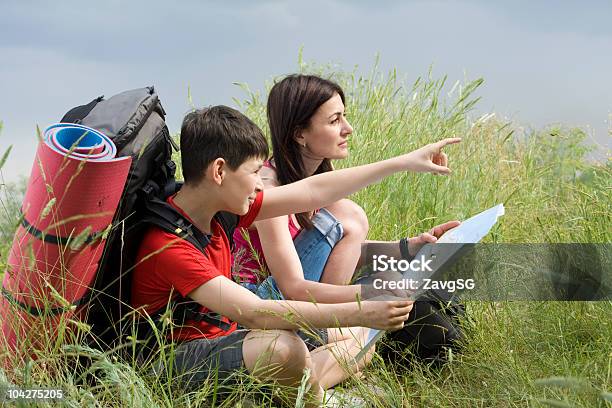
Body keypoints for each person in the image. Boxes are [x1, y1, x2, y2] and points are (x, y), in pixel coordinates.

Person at [131, 105, 459, 406]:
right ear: (219, 171)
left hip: (230, 339)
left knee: (361, 339)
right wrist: (361, 310)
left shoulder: (217, 207)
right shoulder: (169, 245)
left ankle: (279, 393)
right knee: (283, 348)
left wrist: (401, 162)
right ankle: (312, 399)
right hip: (173, 365)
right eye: (254, 172)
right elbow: (256, 314)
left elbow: (313, 191)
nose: (261, 185)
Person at [233, 74, 460, 304]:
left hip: (295, 292)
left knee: (387, 277)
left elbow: (343, 254)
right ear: (300, 134)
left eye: (345, 117)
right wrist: (365, 297)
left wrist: (409, 248)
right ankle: (329, 328)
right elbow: (292, 288)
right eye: (334, 121)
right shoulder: (269, 189)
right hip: (261, 301)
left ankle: (338, 328)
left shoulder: (317, 177)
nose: (348, 128)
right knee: (350, 217)